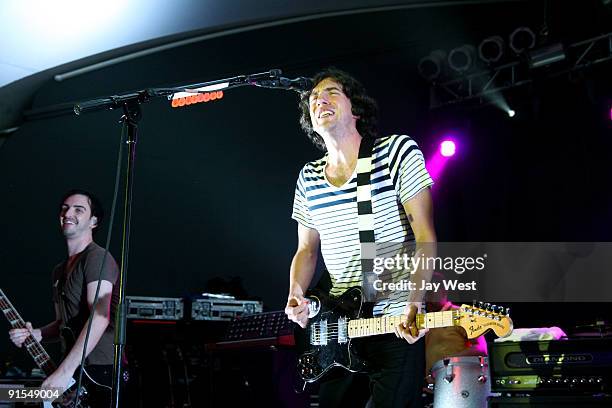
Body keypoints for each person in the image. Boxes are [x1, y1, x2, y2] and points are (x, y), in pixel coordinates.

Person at [285, 68, 437, 407]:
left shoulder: (396, 152)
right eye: (313, 99)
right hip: (338, 327)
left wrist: (415, 300)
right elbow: (306, 249)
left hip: (397, 320)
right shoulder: (308, 177)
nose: (319, 100)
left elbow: (425, 235)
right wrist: (296, 294)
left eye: (331, 92)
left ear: (357, 108)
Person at [8, 189, 119, 407]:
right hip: (70, 371)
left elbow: (100, 316)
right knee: (11, 396)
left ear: (93, 221)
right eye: (65, 208)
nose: (68, 213)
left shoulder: (97, 257)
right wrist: (37, 334)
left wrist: (63, 372)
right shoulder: (59, 271)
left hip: (97, 374)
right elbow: (63, 324)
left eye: (79, 209)